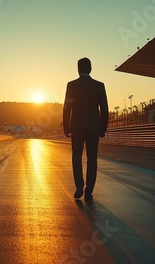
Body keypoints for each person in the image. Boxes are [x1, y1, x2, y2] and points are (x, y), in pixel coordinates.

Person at [63, 57, 108, 201]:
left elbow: (67, 107)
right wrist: (103, 127)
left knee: (76, 156)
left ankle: (79, 187)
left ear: (78, 69)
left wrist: (66, 126)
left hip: (77, 127)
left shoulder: (72, 85)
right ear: (91, 69)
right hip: (94, 127)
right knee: (92, 158)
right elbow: (105, 108)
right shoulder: (99, 86)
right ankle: (89, 189)